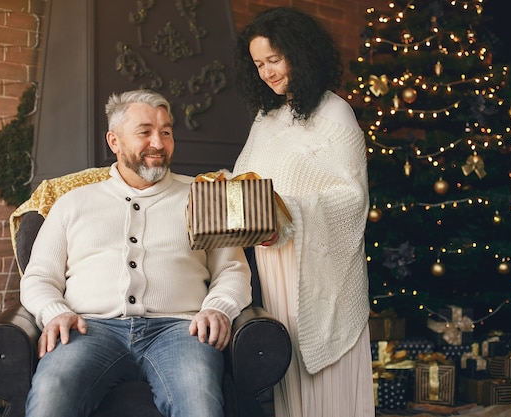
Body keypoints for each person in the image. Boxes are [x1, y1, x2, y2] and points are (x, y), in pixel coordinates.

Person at [19, 89, 252, 417]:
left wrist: (220, 308)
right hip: (88, 328)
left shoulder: (205, 197)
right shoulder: (72, 202)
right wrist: (54, 312)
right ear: (114, 141)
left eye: (166, 132)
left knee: (200, 401)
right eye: (144, 132)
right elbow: (39, 276)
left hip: (181, 330)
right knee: (50, 394)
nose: (158, 143)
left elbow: (233, 271)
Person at [232, 7, 374, 417]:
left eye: (274, 60)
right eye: (259, 64)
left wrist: (290, 209)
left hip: (321, 268)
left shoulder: (335, 114)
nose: (267, 73)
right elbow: (246, 179)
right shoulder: (267, 117)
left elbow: (352, 198)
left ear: (300, 52)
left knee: (326, 379)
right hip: (273, 262)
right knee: (289, 372)